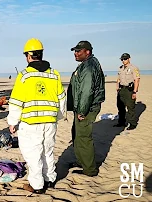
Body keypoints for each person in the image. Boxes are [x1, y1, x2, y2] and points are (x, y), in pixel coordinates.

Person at [7, 38, 67, 194]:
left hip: (31, 123)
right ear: (41, 54)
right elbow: (62, 99)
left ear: (28, 56)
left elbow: (16, 102)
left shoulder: (25, 76)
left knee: (33, 154)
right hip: (50, 122)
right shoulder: (54, 74)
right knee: (47, 151)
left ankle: (37, 185)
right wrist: (58, 117)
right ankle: (50, 179)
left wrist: (12, 122)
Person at [67, 40, 105, 177]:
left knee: (83, 137)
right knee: (77, 135)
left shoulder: (89, 67)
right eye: (75, 51)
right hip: (83, 106)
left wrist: (82, 111)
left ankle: (89, 169)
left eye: (79, 51)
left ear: (87, 52)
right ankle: (82, 161)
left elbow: (87, 91)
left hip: (87, 108)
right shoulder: (86, 64)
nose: (75, 54)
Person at [114, 53, 140, 130]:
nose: (123, 61)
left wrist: (135, 92)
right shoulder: (121, 68)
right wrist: (117, 87)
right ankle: (121, 122)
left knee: (130, 107)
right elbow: (118, 79)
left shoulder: (133, 68)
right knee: (120, 106)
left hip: (129, 90)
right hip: (121, 90)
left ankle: (132, 123)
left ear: (129, 59)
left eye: (125, 59)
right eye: (122, 59)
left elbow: (137, 80)